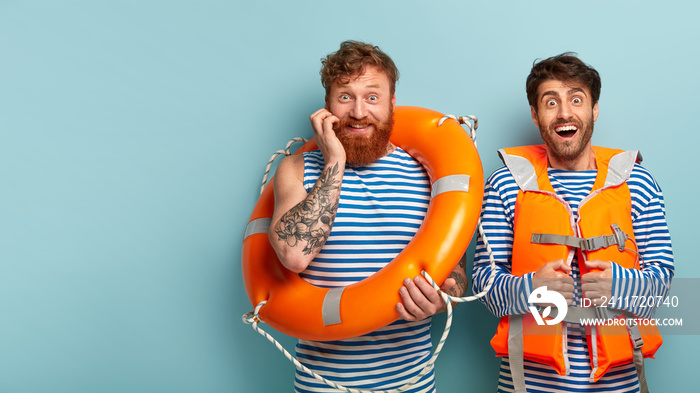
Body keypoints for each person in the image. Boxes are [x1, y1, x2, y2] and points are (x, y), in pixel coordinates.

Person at [269, 40, 467, 393]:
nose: (359, 111)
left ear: (392, 104)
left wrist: (441, 300)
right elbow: (294, 254)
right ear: (327, 107)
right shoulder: (296, 169)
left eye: (372, 97)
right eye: (345, 97)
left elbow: (455, 274)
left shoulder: (426, 172)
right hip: (322, 387)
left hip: (413, 385)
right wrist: (334, 161)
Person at [472, 53, 674, 392]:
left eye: (576, 99)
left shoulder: (638, 183)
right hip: (529, 383)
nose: (565, 112)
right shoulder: (505, 184)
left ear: (594, 110)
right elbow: (483, 285)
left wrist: (620, 285)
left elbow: (663, 280)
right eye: (551, 102)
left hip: (618, 383)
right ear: (536, 116)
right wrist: (533, 288)